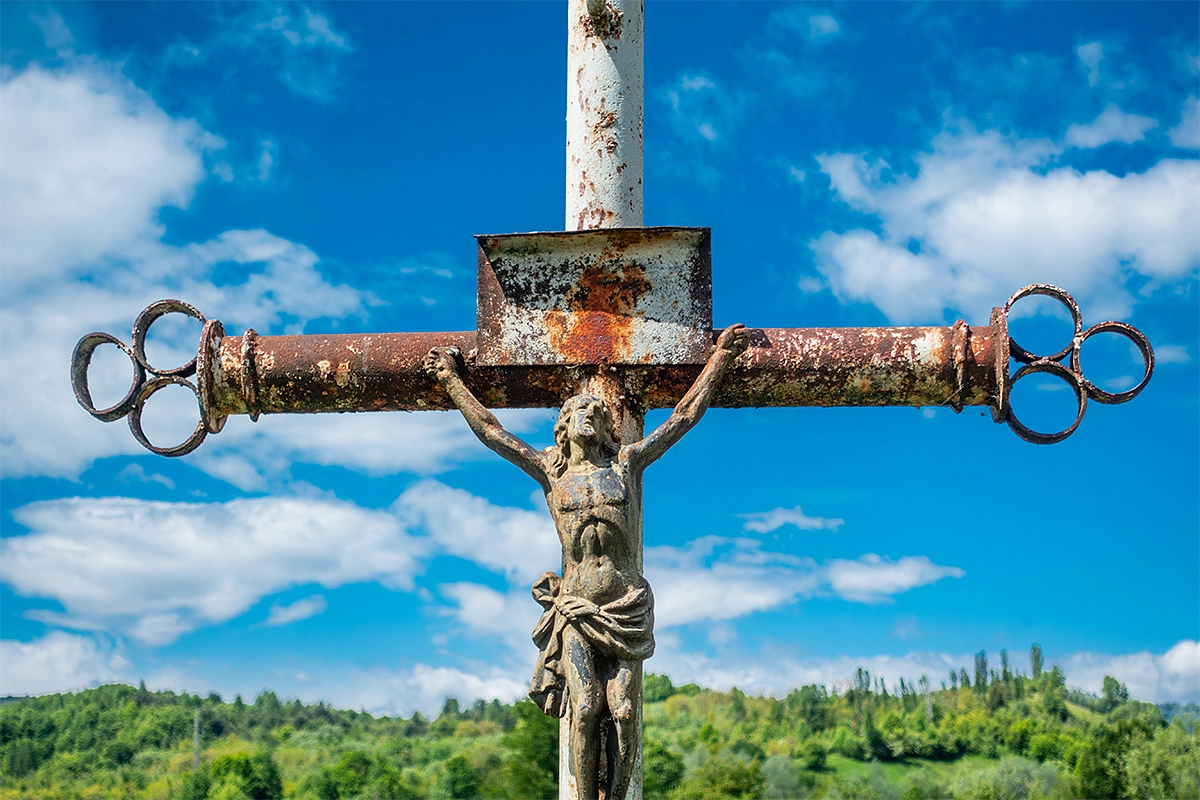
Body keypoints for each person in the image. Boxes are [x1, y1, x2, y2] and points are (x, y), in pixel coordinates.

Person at [423, 324, 749, 800]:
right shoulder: (552, 471)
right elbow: (493, 433)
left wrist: (719, 360)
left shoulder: (626, 465)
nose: (590, 415)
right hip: (577, 605)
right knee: (587, 704)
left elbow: (682, 417)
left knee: (624, 711)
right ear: (564, 424)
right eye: (580, 410)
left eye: (597, 412)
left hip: (626, 603)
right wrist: (452, 382)